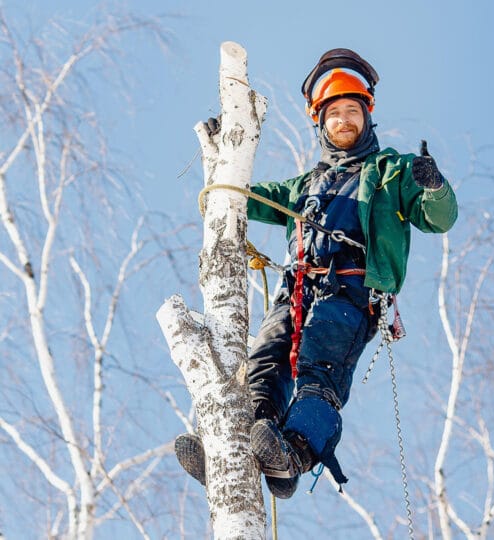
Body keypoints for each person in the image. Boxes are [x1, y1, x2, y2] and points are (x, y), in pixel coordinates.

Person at [175, 49, 458, 499]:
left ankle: (295, 453)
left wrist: (433, 186)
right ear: (320, 123)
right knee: (264, 358)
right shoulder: (304, 187)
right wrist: (221, 164)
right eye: (334, 114)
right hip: (297, 289)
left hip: (350, 290)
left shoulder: (391, 172)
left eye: (352, 111)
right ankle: (238, 445)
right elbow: (239, 196)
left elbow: (437, 219)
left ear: (367, 118)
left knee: (319, 366)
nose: (344, 121)